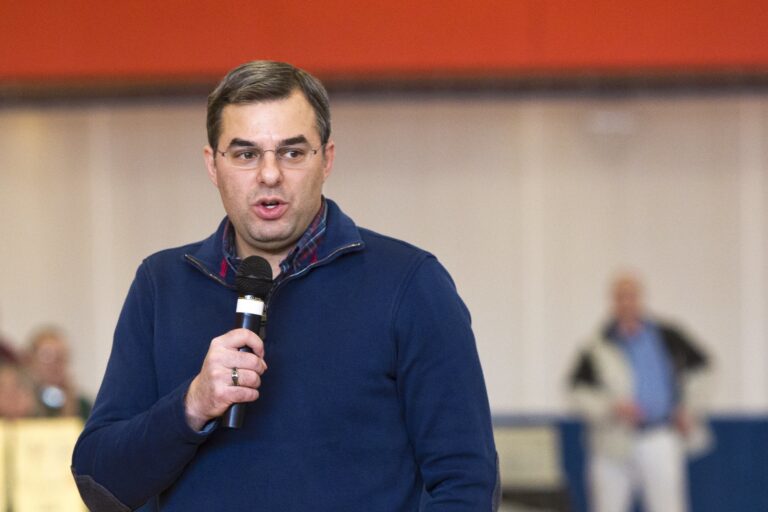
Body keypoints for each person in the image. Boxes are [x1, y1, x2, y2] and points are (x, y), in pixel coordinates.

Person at [72, 60, 498, 511]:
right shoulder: (161, 286)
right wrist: (193, 404)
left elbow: (465, 484)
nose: (270, 175)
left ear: (327, 159)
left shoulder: (409, 283)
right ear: (212, 164)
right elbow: (101, 483)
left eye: (292, 152)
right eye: (245, 154)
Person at [568, 272, 712, 512]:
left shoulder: (667, 336)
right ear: (612, 301)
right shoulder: (597, 345)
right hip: (613, 441)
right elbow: (576, 390)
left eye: (632, 296)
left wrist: (689, 408)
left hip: (659, 435)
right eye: (621, 297)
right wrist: (610, 407)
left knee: (668, 506)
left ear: (640, 298)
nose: (627, 302)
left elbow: (704, 370)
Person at [26, 326, 92, 420]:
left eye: (61, 357)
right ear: (30, 360)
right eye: (47, 357)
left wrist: (70, 410)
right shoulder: (15, 404)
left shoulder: (82, 406)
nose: (54, 364)